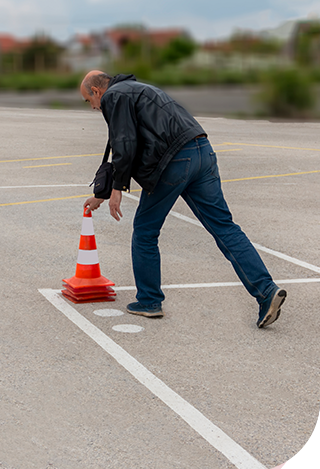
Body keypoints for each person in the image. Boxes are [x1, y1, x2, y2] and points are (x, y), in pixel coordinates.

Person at [81, 70, 286, 328]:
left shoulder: (114, 96)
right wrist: (102, 193)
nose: (93, 107)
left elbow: (125, 142)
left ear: (97, 91)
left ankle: (149, 301)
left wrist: (117, 189)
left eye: (89, 101)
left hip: (174, 161)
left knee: (145, 231)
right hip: (202, 152)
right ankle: (266, 291)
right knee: (225, 228)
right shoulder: (140, 88)